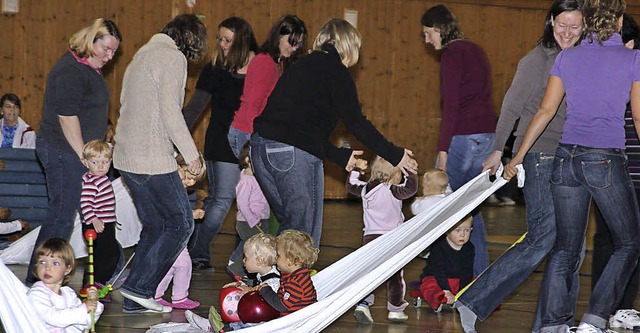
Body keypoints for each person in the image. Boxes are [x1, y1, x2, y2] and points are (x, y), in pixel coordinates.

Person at [503, 0, 640, 331]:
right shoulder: (633, 58)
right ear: (619, 20)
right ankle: (594, 320)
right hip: (604, 158)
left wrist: (518, 156)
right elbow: (637, 117)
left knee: (565, 248)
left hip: (565, 159)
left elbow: (545, 110)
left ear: (588, 21)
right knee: (630, 243)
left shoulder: (567, 56)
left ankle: (552, 325)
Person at [454, 1, 584, 332]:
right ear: (550, 21)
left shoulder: (582, 59)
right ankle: (474, 299)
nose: (567, 33)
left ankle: (556, 320)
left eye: (575, 27)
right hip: (539, 155)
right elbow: (511, 107)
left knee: (572, 243)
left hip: (571, 157)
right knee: (543, 237)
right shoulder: (536, 60)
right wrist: (499, 149)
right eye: (562, 25)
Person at [250, 18, 418, 247]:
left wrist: (340, 156)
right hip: (289, 154)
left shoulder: (301, 65)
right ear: (349, 45)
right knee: (302, 236)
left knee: (290, 226)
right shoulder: (335, 71)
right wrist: (395, 154)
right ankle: (292, 283)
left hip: (260, 150)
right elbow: (356, 123)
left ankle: (268, 277)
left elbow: (299, 128)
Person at [113, 14, 206, 313]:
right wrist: (191, 155)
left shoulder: (141, 55)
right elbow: (170, 112)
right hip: (151, 158)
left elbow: (126, 103)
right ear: (190, 40)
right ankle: (141, 287)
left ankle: (134, 296)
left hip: (126, 158)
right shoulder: (172, 57)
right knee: (181, 223)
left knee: (155, 225)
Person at [25, 18, 121, 285]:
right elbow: (67, 117)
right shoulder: (71, 70)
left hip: (76, 152)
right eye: (106, 48)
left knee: (84, 213)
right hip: (64, 151)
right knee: (61, 216)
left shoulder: (89, 68)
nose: (110, 56)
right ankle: (38, 282)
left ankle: (97, 273)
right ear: (91, 40)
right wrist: (85, 156)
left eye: (114, 51)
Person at [421, 4, 496, 276]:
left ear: (440, 30)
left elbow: (450, 106)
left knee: (439, 201)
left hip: (463, 137)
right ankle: (476, 275)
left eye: (428, 33)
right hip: (486, 136)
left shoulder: (452, 54)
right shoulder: (476, 50)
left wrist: (443, 152)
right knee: (468, 209)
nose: (427, 40)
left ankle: (436, 273)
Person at [182, 17, 258, 271]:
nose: (222, 45)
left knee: (251, 205)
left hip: (252, 145)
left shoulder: (260, 68)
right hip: (221, 143)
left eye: (228, 40)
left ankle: (245, 256)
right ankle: (198, 252)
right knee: (222, 199)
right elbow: (194, 109)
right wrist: (175, 137)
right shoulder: (215, 68)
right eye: (220, 39)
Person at [591, 13, 640, 331]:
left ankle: (618, 307)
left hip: (629, 169)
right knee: (613, 239)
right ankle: (605, 308)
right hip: (609, 167)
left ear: (630, 44)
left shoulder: (631, 68)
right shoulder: (601, 74)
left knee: (626, 240)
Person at [346, 155, 418, 324]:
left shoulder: (365, 190)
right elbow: (411, 188)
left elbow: (351, 185)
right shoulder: (394, 190)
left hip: (370, 238)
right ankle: (396, 309)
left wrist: (357, 169)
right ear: (395, 175)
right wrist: (411, 171)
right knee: (395, 276)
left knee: (369, 274)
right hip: (393, 239)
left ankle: (363, 304)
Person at [227, 14, 307, 157]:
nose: (294, 48)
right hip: (246, 131)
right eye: (291, 42)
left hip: (253, 130)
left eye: (298, 44)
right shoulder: (265, 63)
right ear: (278, 36)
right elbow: (253, 105)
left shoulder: (279, 63)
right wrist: (255, 139)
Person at [185, 233, 281, 331]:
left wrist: (250, 291)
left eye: (246, 258)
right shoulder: (262, 274)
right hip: (258, 317)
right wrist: (241, 285)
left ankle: (223, 328)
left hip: (266, 322)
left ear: (259, 261)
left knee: (245, 325)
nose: (243, 261)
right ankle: (216, 324)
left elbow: (269, 303)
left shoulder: (274, 280)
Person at [153, 154, 206, 310]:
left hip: (175, 234)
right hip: (170, 234)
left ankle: (157, 294)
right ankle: (180, 297)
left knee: (170, 266)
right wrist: (191, 214)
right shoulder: (170, 189)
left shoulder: (177, 189)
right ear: (177, 169)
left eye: (194, 180)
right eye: (188, 177)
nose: (190, 182)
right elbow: (171, 213)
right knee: (184, 265)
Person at [27, 238, 103, 333]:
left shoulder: (69, 294)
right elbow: (53, 318)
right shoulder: (36, 293)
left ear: (68, 269)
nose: (47, 267)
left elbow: (82, 324)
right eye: (42, 262)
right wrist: (83, 308)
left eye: (55, 263)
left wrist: (94, 307)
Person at [78, 140, 121, 300]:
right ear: (86, 162)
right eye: (95, 162)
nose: (101, 166)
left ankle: (94, 283)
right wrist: (94, 219)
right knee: (104, 254)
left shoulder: (102, 179)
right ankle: (94, 283)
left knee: (104, 254)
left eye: (105, 162)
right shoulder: (91, 182)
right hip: (95, 224)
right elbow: (85, 204)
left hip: (106, 223)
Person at [226, 143, 270, 280]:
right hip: (248, 221)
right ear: (248, 160)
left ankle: (234, 263)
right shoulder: (246, 180)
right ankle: (237, 270)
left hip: (261, 219)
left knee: (247, 244)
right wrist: (253, 220)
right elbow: (242, 204)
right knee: (257, 246)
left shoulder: (258, 177)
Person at [419, 217, 474, 314]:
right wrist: (446, 290)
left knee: (476, 282)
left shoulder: (469, 248)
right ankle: (437, 297)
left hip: (457, 280)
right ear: (447, 231)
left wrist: (462, 293)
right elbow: (439, 271)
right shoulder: (438, 247)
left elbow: (467, 271)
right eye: (457, 230)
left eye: (467, 230)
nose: (463, 234)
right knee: (429, 287)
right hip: (436, 278)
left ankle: (485, 300)